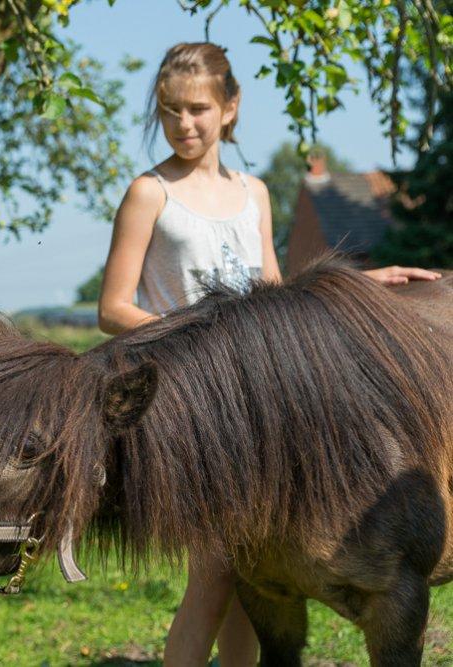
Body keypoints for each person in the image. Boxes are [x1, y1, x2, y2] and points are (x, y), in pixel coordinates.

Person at [97, 42, 439, 666]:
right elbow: (113, 308)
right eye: (171, 110)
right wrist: (207, 343)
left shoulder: (253, 192)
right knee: (216, 573)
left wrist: (358, 283)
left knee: (258, 576)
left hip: (259, 404)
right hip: (191, 398)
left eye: (198, 108)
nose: (184, 124)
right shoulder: (150, 193)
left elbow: (274, 296)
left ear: (230, 108)